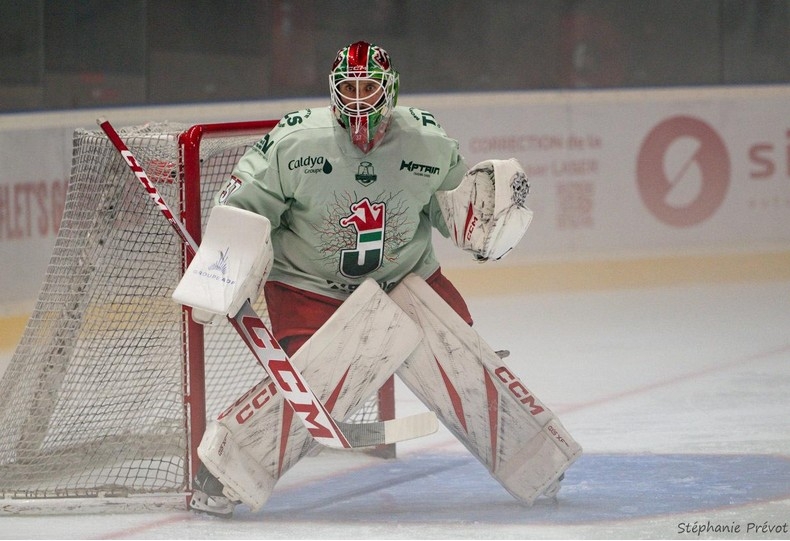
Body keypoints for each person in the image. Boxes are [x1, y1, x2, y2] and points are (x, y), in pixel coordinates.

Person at [180, 41, 569, 518]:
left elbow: (455, 212)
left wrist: (486, 218)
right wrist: (227, 261)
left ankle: (535, 459)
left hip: (406, 277)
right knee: (316, 383)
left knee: (461, 361)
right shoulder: (294, 141)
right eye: (349, 87)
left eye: (369, 86)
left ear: (391, 89)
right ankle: (223, 474)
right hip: (311, 288)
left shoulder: (428, 140)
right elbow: (241, 204)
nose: (359, 98)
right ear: (332, 90)